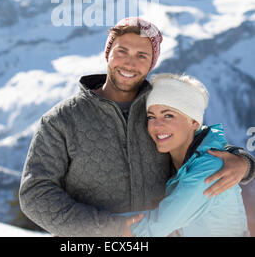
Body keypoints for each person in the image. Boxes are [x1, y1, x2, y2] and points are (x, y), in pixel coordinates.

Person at [19, 17, 255, 237]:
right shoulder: (61, 120)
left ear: (151, 63)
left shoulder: (158, 107)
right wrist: (105, 228)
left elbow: (197, 142)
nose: (130, 63)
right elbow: (35, 195)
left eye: (142, 55)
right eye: (121, 51)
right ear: (108, 55)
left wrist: (243, 162)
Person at [121, 73, 251, 237]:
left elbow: (154, 226)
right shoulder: (180, 160)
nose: (156, 125)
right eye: (151, 117)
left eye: (168, 115)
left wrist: (94, 223)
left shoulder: (209, 169)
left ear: (194, 122)